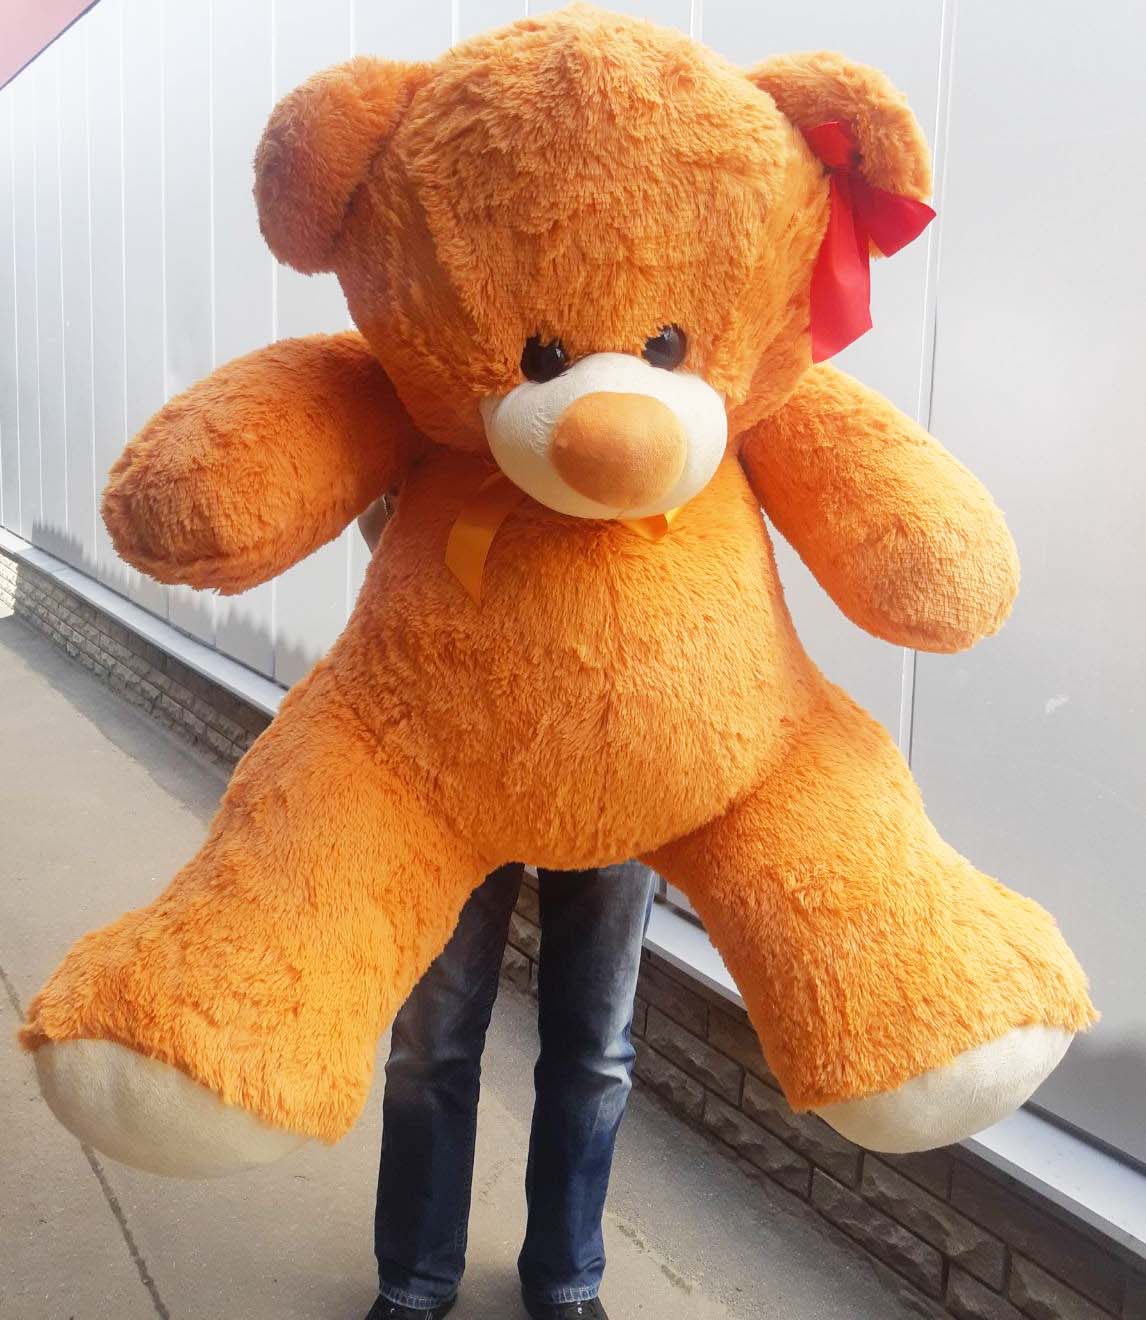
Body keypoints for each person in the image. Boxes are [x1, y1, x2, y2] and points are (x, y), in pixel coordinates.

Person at [358, 500, 657, 1320]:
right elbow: (390, 513)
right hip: (460, 735)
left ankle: (566, 1276)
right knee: (431, 1038)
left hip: (619, 743)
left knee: (595, 1044)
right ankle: (416, 1277)